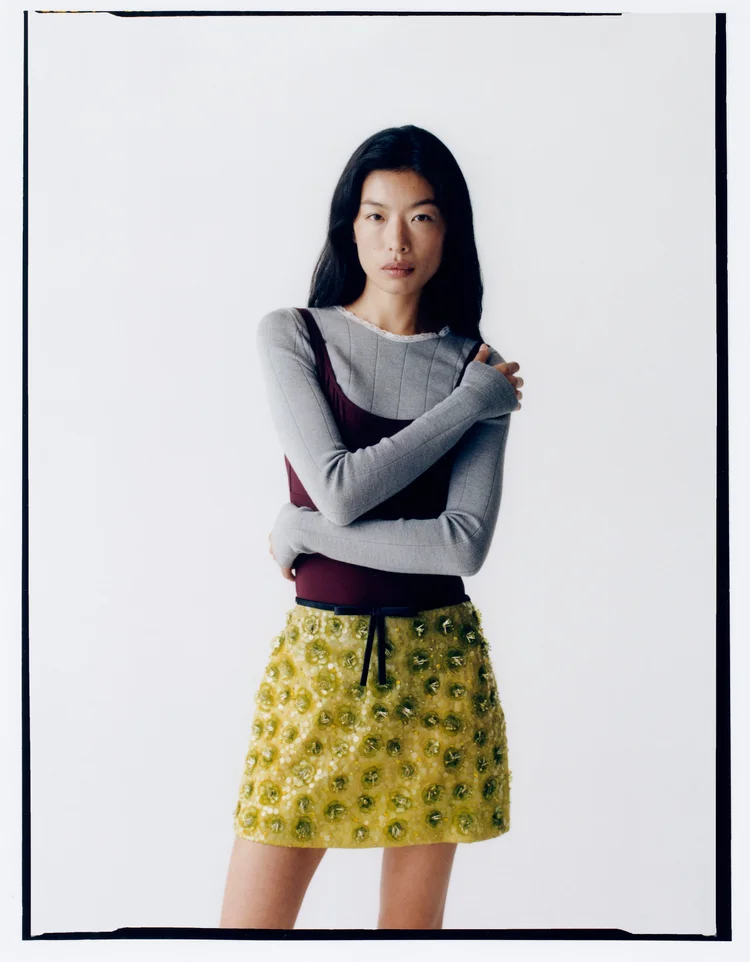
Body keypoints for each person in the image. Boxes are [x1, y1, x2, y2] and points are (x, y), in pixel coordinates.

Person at [219, 125, 523, 930]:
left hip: (438, 670)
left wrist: (303, 532)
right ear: (349, 227)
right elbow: (339, 489)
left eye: (421, 217)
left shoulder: (477, 369)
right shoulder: (294, 335)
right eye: (376, 215)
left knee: (410, 940)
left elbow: (461, 546)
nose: (397, 241)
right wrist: (466, 408)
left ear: (448, 232)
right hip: (320, 664)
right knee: (245, 935)